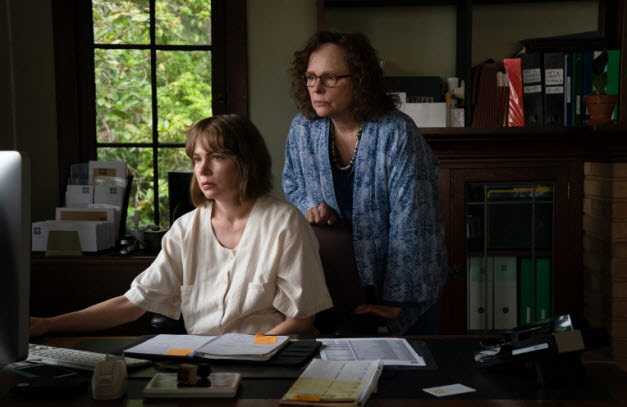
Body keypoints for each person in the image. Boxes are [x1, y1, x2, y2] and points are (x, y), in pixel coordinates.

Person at [30, 114, 333, 337]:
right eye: (196, 159)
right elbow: (132, 304)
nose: (203, 170)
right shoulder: (185, 230)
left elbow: (300, 321)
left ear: (246, 162)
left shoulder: (285, 224)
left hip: (270, 360)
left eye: (216, 157)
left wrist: (247, 353)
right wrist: (47, 325)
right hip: (204, 364)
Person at [283, 31, 448, 335]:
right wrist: (310, 206)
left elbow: (413, 222)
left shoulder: (396, 133)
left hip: (400, 290)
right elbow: (293, 183)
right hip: (337, 285)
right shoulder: (303, 128)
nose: (316, 87)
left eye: (330, 77)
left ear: (360, 81)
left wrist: (398, 304)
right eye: (310, 77)